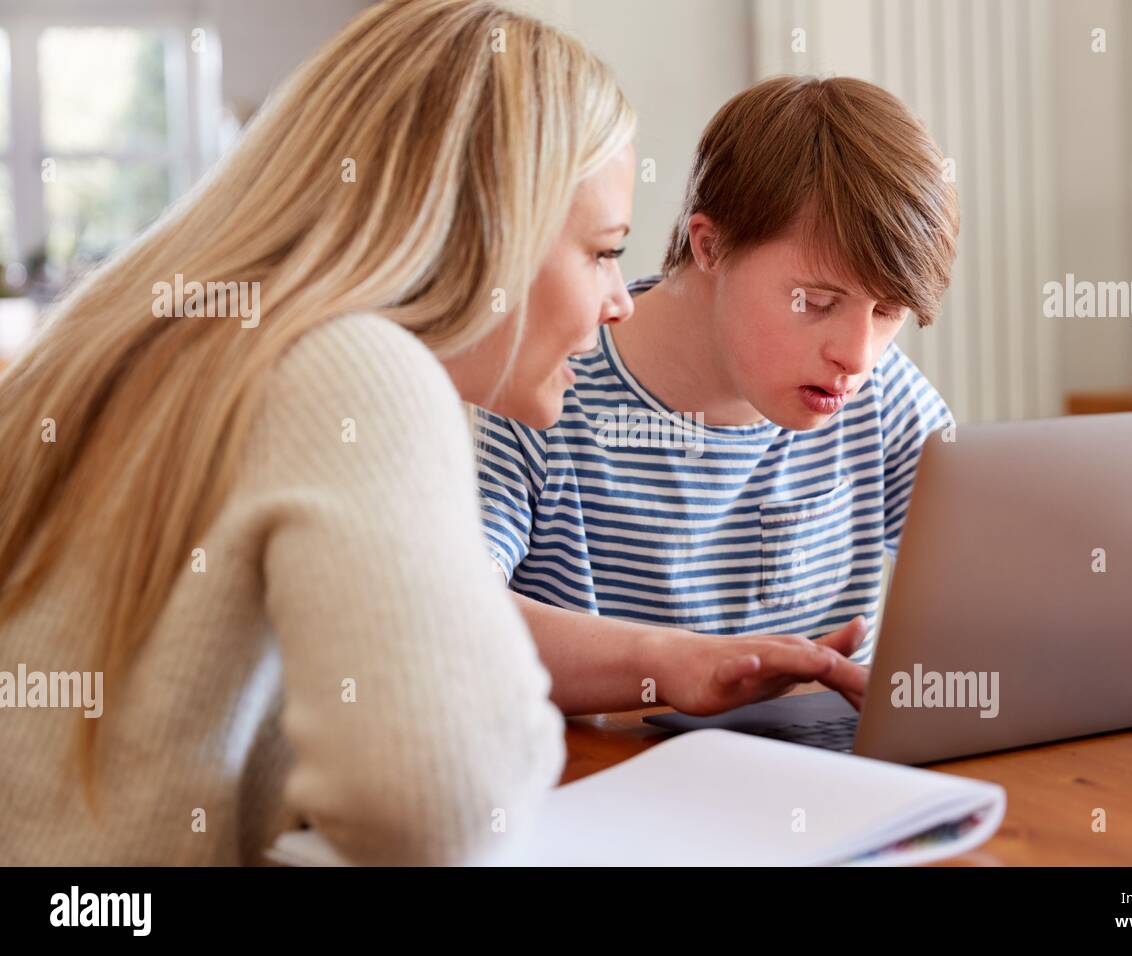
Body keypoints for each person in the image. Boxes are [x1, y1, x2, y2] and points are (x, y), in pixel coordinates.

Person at [0, 0, 635, 865]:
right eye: (603, 251)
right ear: (488, 224)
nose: (621, 298)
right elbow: (444, 802)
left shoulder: (141, 342)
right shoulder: (354, 370)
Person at [474, 75, 959, 717]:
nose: (858, 355)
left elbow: (997, 579)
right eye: (816, 302)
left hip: (831, 785)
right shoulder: (543, 388)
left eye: (888, 313)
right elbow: (453, 613)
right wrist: (673, 664)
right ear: (711, 246)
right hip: (612, 788)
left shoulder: (880, 393)